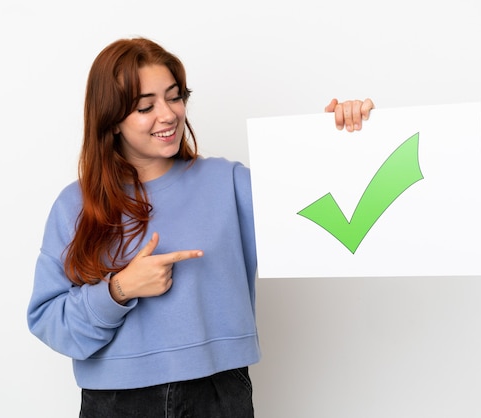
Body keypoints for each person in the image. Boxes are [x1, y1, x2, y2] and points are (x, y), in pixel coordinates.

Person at [27, 36, 374, 418]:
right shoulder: (75, 205)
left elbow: (327, 214)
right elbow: (48, 322)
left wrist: (341, 136)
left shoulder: (228, 182)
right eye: (146, 106)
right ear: (111, 122)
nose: (169, 114)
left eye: (174, 97)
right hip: (114, 401)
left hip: (217, 392)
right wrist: (119, 289)